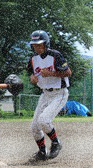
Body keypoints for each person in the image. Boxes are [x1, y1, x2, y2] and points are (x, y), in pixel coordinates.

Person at [27, 30, 72, 161]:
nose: (37, 47)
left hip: (59, 93)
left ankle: (56, 143)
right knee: (35, 127)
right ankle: (42, 152)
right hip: (45, 94)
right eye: (34, 45)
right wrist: (32, 79)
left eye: (39, 44)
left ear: (46, 44)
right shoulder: (33, 59)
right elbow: (32, 75)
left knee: (44, 120)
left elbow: (68, 72)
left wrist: (51, 74)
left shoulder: (55, 55)